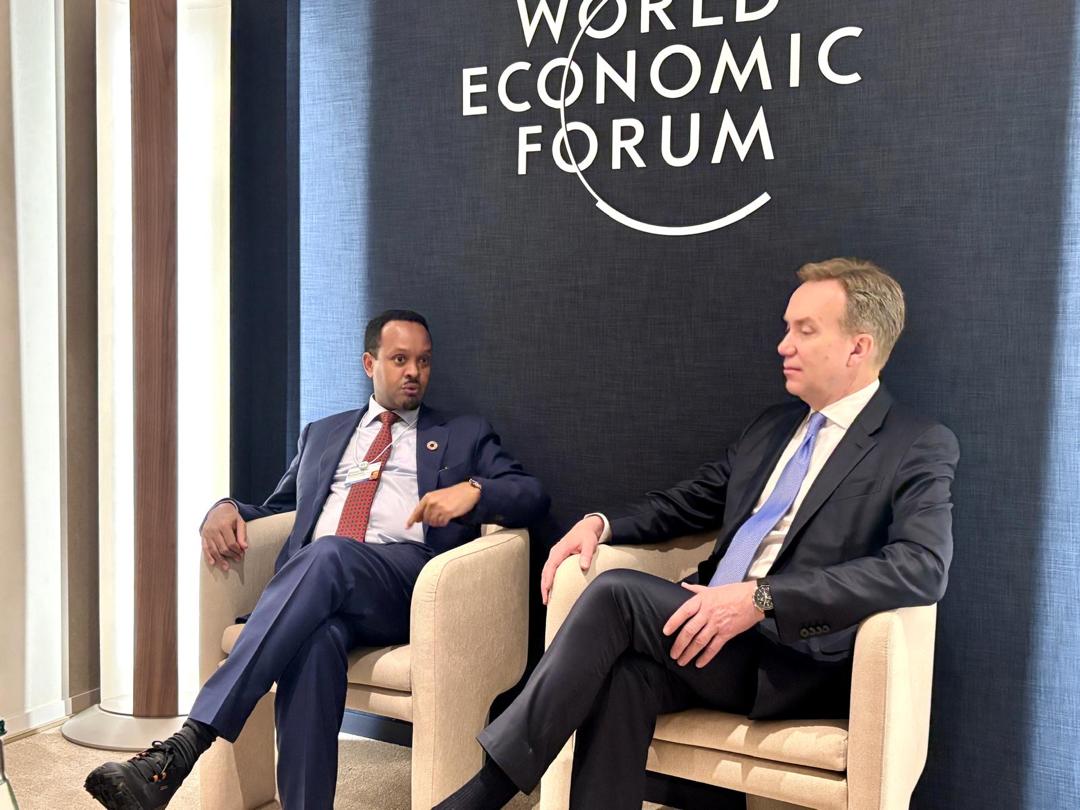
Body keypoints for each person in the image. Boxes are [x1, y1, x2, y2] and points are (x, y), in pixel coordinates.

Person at [437, 258, 959, 810]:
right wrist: (600, 523)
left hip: (797, 658)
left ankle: (484, 794)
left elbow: (921, 567)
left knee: (615, 594)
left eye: (805, 331)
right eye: (786, 328)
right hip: (711, 633)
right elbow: (688, 501)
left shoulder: (916, 443)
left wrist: (761, 599)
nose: (783, 345)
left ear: (858, 347)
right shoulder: (772, 428)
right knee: (627, 677)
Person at [85, 309, 550, 810]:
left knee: (328, 553)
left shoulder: (462, 433)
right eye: (400, 360)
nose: (414, 372)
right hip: (324, 589)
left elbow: (532, 495)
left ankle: (187, 743)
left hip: (406, 583)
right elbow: (280, 510)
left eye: (424, 361)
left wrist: (474, 490)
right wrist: (225, 508)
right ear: (370, 363)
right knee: (315, 640)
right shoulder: (323, 434)